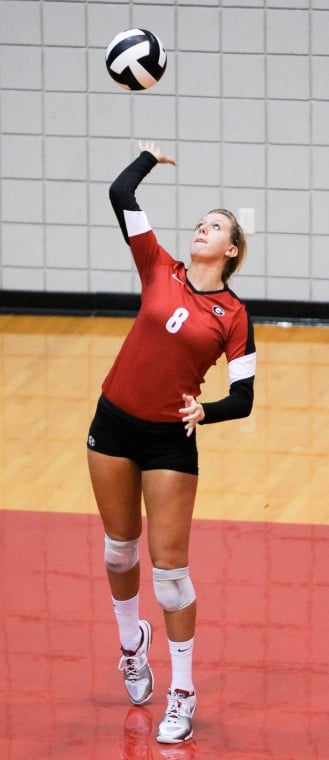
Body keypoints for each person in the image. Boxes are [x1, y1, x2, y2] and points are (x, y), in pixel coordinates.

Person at [87, 141, 256, 744]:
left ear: (230, 250)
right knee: (117, 551)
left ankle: (182, 691)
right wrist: (145, 158)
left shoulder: (234, 314)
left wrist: (203, 412)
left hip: (168, 442)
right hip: (112, 423)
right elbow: (119, 196)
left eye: (215, 227)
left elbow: (245, 397)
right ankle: (132, 645)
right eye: (201, 223)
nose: (201, 229)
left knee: (171, 574)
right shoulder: (158, 265)